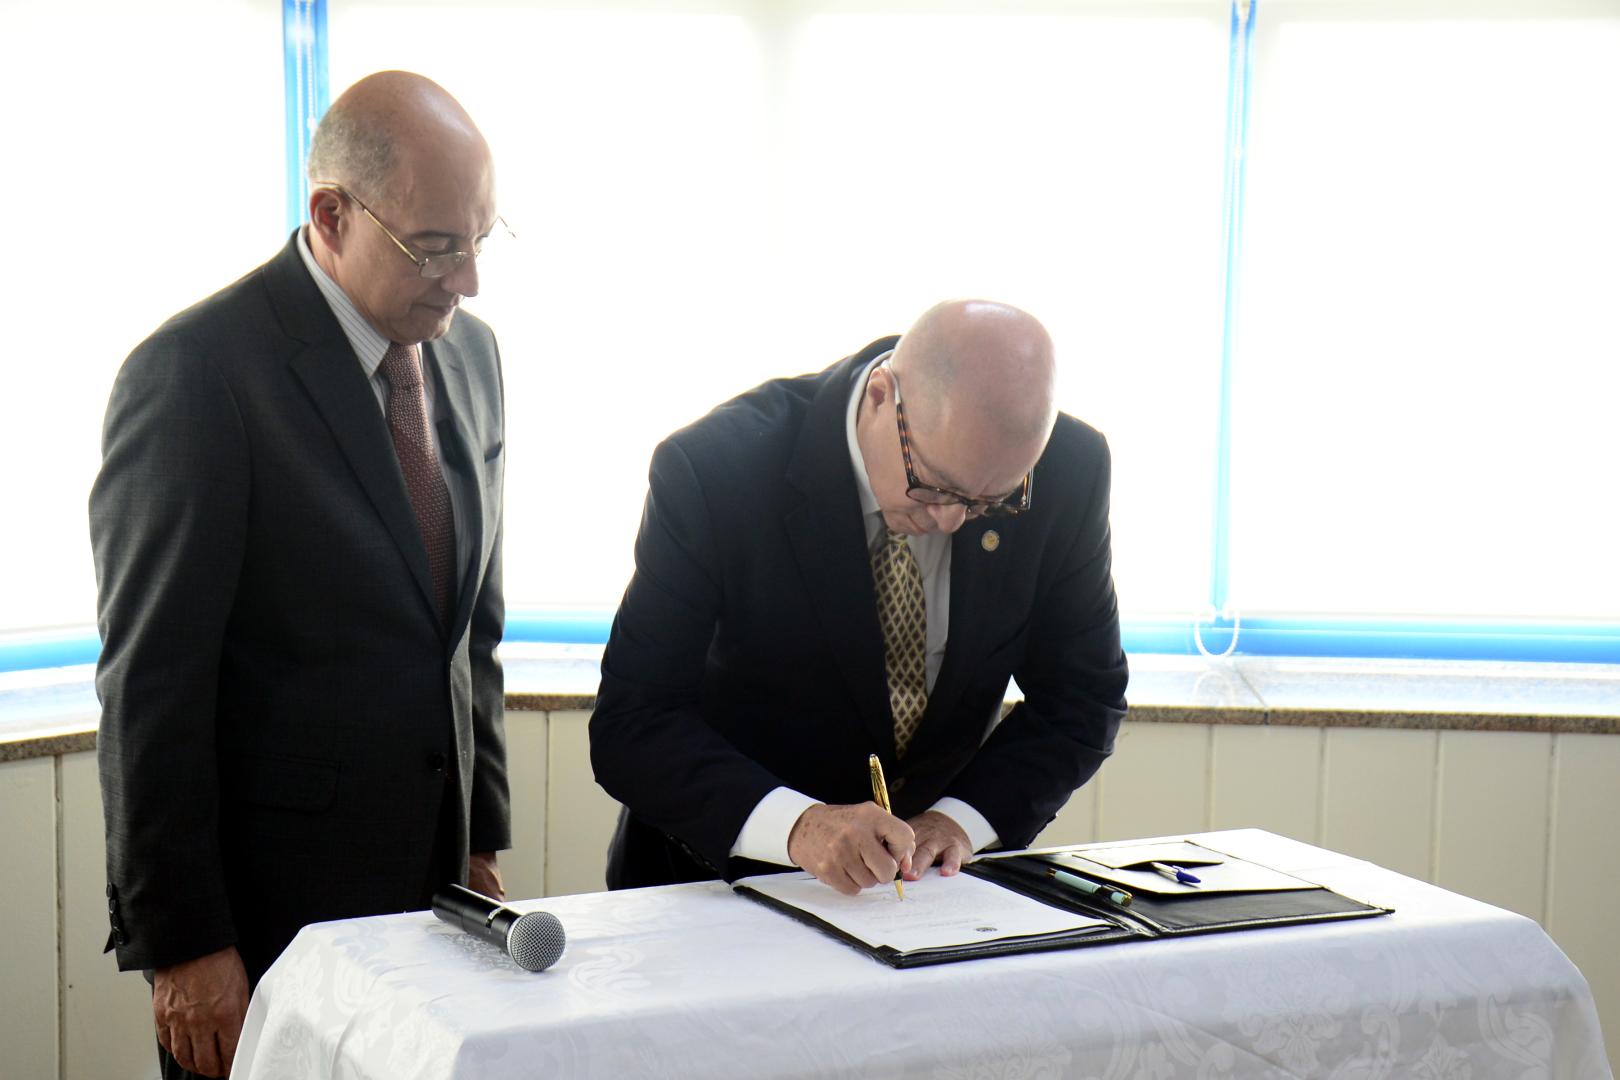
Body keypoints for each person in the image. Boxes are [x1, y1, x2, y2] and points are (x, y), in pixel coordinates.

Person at [90, 71, 511, 1079]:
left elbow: (471, 628)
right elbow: (153, 683)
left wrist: (479, 838)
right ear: (331, 215)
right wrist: (185, 943)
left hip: (435, 901)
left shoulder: (472, 357)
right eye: (437, 246)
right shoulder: (198, 374)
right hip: (263, 920)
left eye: (482, 239)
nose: (468, 281)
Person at [590, 299, 1128, 895]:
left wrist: (960, 820)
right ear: (879, 397)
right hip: (711, 884)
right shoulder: (718, 469)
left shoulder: (1068, 468)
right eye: (933, 486)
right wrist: (797, 826)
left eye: (990, 503)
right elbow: (634, 722)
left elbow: (1082, 698)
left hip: (923, 894)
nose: (951, 520)